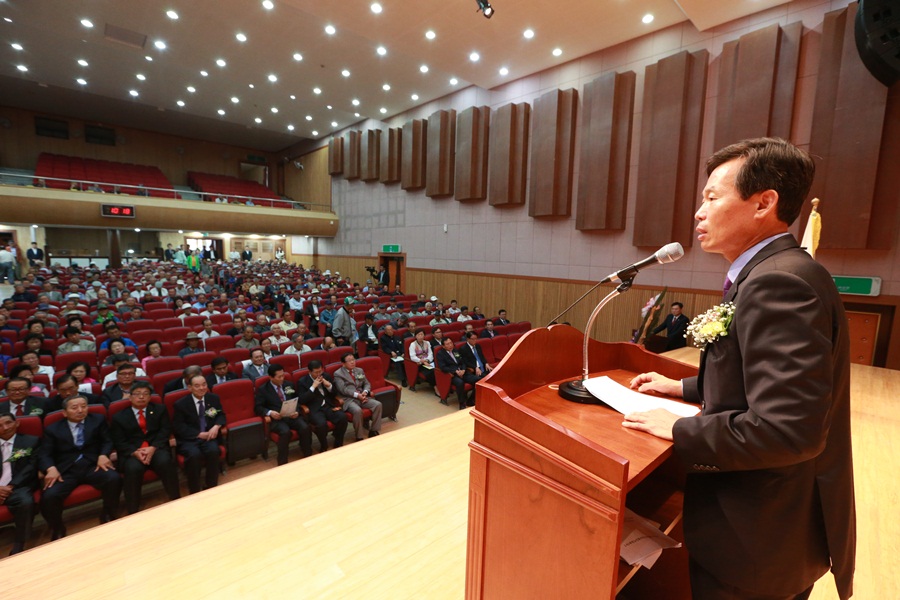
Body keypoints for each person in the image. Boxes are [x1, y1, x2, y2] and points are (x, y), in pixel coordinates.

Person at [623, 138, 854, 600]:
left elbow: (789, 431)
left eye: (712, 196)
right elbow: (758, 379)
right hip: (772, 531)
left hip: (758, 540)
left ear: (763, 203)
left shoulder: (779, 284)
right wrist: (685, 386)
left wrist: (679, 430)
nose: (698, 212)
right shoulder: (778, 271)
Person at [39, 395, 122, 539]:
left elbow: (107, 441)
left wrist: (103, 454)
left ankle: (108, 512)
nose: (80, 410)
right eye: (74, 407)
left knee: (113, 479)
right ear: (64, 412)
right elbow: (45, 453)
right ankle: (57, 528)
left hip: (93, 464)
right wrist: (50, 468)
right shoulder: (52, 429)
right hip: (66, 470)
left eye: (84, 406)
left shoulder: (97, 420)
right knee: (49, 496)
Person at [109, 381, 180, 514]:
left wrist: (153, 448)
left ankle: (176, 498)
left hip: (156, 448)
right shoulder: (119, 417)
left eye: (145, 394)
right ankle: (133, 509)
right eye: (137, 394)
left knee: (165, 461)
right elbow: (119, 441)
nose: (141, 397)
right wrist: (135, 452)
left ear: (150, 396)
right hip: (132, 452)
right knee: (133, 468)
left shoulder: (159, 409)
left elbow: (165, 430)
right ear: (130, 397)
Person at [172, 374, 225, 494]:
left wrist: (216, 426)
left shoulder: (213, 398)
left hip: (209, 436)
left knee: (214, 450)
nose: (202, 388)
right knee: (194, 454)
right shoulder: (181, 404)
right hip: (189, 439)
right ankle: (194, 488)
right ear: (190, 387)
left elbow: (221, 415)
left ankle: (211, 485)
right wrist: (198, 434)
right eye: (197, 386)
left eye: (204, 384)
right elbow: (179, 426)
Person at [0, 412, 40, 555]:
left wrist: (10, 487)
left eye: (8, 423)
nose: (4, 428)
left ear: (16, 423)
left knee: (25, 501)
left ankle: (20, 542)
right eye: (0, 425)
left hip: (18, 486)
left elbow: (31, 468)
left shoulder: (31, 441)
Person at [254, 364, 311, 464]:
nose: (282, 378)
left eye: (283, 375)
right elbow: (258, 407)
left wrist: (297, 411)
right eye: (279, 377)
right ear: (271, 377)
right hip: (277, 419)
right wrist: (270, 413)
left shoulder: (289, 384)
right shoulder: (263, 390)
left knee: (304, 427)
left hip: (291, 416)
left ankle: (308, 454)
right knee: (285, 432)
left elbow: (297, 400)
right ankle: (282, 461)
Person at [297, 360, 348, 451]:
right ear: (309, 372)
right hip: (314, 409)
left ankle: (338, 442)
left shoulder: (326, 376)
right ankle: (324, 446)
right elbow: (302, 400)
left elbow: (335, 393)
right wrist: (313, 387)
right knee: (321, 424)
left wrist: (329, 386)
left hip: (328, 406)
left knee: (342, 417)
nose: (319, 374)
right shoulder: (302, 381)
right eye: (316, 372)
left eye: (320, 371)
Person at [332, 353, 382, 441]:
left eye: (353, 360)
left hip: (362, 396)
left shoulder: (359, 370)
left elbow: (366, 383)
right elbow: (343, 389)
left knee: (378, 405)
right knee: (357, 410)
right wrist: (357, 395)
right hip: (348, 399)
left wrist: (365, 392)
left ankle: (374, 430)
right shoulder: (338, 374)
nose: (352, 362)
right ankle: (359, 436)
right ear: (343, 363)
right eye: (349, 361)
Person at [436, 337, 471, 409]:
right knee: (460, 383)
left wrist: (463, 370)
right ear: (443, 346)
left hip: (462, 372)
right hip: (452, 375)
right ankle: (462, 404)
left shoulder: (455, 350)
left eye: (451, 343)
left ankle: (472, 400)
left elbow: (462, 362)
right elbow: (443, 367)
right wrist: (455, 371)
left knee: (478, 379)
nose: (450, 345)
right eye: (447, 344)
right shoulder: (440, 354)